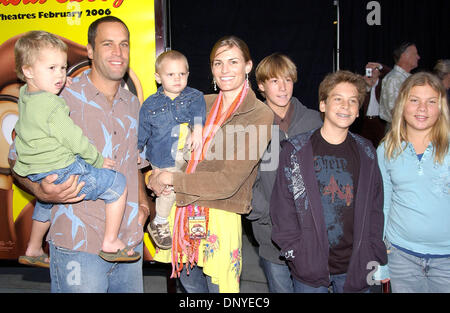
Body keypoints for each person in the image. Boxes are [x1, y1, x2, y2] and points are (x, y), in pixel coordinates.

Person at [10, 16, 149, 292]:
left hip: (128, 245)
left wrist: (143, 207)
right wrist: (40, 189)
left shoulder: (133, 104)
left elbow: (135, 164)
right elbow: (16, 159)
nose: (118, 52)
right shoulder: (58, 96)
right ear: (89, 50)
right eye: (107, 44)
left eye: (124, 44)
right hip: (78, 247)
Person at [148, 35, 273, 293]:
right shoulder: (197, 103)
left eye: (233, 62)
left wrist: (171, 179)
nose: (224, 70)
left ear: (248, 66)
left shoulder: (260, 114)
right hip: (181, 212)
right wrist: (153, 174)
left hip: (220, 217)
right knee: (192, 291)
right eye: (218, 63)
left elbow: (228, 182)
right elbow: (161, 141)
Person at [270, 70, 387, 293]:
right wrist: (296, 253)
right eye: (338, 99)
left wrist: (373, 251)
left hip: (357, 266)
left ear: (358, 111)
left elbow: (375, 206)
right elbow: (282, 209)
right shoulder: (295, 151)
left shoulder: (367, 151)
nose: (346, 106)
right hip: (309, 267)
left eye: (353, 101)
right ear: (323, 105)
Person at [247, 53, 322, 292]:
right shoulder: (250, 127)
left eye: (288, 80)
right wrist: (267, 214)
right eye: (274, 81)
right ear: (261, 85)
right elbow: (244, 180)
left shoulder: (315, 121)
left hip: (312, 234)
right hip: (271, 234)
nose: (282, 88)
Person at [377, 72, 450, 293]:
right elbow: (383, 205)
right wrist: (382, 260)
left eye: (431, 102)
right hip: (401, 257)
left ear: (441, 107)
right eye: (415, 100)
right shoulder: (386, 150)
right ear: (402, 104)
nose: (422, 109)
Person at [138, 50, 206, 249]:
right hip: (161, 157)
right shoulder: (150, 104)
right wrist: (137, 148)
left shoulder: (194, 96)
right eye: (170, 74)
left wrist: (198, 128)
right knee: (167, 190)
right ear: (158, 78)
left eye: (182, 74)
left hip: (186, 154)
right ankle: (159, 221)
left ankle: (186, 225)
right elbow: (142, 129)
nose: (177, 79)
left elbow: (199, 111)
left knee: (187, 187)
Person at [351, 62, 390, 148]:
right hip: (366, 121)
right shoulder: (364, 84)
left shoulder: (384, 83)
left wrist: (379, 66)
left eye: (375, 69)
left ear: (379, 72)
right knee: (364, 146)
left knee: (381, 145)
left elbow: (391, 73)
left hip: (380, 121)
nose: (372, 71)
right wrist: (367, 85)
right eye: (370, 70)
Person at [380, 42, 420, 124]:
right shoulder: (394, 79)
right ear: (404, 56)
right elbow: (394, 111)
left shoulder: (408, 78)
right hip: (398, 128)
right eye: (415, 54)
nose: (418, 57)